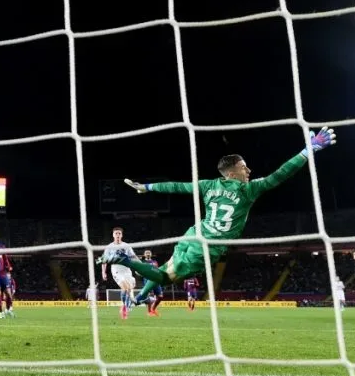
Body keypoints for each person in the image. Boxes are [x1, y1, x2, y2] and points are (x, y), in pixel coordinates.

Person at [100, 127, 337, 304]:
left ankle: (140, 297)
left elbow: (176, 186)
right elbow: (280, 174)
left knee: (166, 266)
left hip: (194, 233)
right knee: (163, 277)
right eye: (245, 167)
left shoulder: (207, 185)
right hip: (207, 246)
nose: (249, 171)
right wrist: (308, 150)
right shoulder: (248, 190)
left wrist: (147, 187)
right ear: (233, 173)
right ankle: (124, 260)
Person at [101, 227, 138, 320]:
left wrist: (140, 267)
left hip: (127, 270)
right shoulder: (109, 247)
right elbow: (104, 260)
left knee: (129, 289)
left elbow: (134, 257)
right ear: (113, 235)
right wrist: (103, 272)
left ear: (122, 235)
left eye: (119, 233)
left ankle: (125, 306)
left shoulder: (126, 246)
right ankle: (124, 308)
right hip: (116, 270)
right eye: (116, 233)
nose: (117, 235)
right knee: (125, 288)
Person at [141, 250, 164, 316]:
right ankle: (149, 312)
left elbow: (157, 270)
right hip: (148, 281)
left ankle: (153, 309)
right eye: (146, 253)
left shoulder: (155, 262)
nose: (148, 254)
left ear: (151, 254)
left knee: (160, 296)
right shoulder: (142, 262)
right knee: (150, 296)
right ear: (144, 255)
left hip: (156, 280)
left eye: (149, 253)